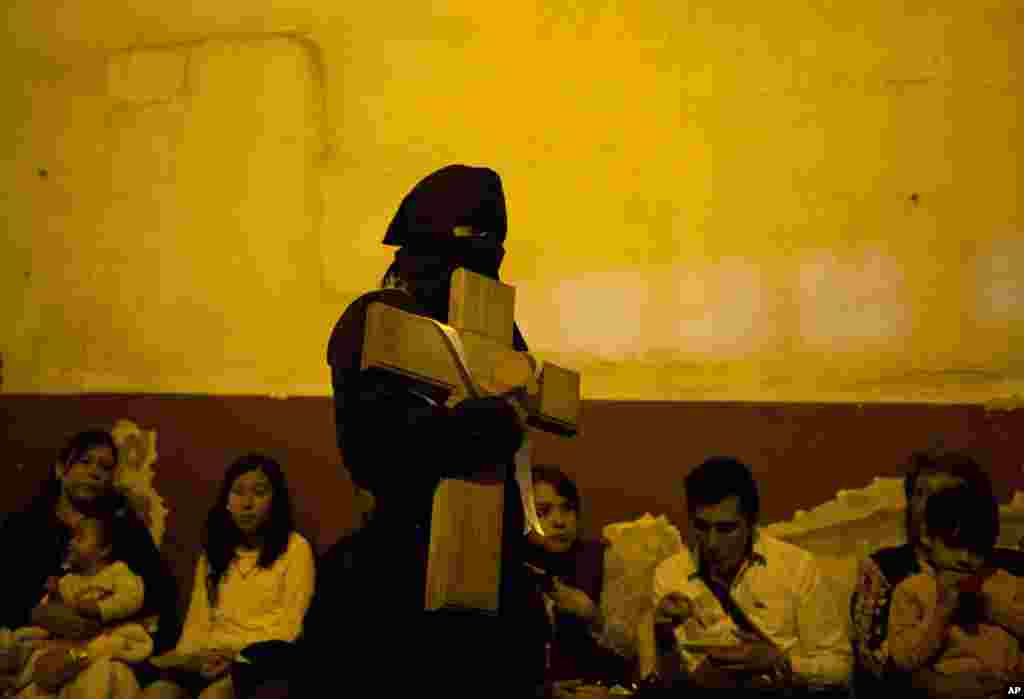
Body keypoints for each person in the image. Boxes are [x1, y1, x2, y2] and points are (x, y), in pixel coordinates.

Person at [308, 164, 544, 697]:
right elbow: (372, 452)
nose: (471, 280)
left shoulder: (497, 329)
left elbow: (528, 401)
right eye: (461, 262)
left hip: (496, 590)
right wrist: (466, 430)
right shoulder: (380, 323)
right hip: (397, 589)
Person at [648, 456, 851, 696]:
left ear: (751, 523)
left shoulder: (796, 566)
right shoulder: (669, 574)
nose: (711, 543)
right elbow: (671, 687)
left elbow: (839, 668)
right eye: (702, 527)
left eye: (726, 529)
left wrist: (778, 661)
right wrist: (663, 636)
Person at [0, 429, 178, 697]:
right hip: (41, 643)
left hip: (101, 647)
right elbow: (5, 592)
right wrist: (36, 613)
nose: (95, 472)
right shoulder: (23, 526)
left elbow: (160, 591)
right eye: (85, 461)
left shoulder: (123, 528)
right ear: (61, 468)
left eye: (105, 467)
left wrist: (103, 615)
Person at [850, 449, 1024, 698]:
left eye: (946, 493)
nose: (928, 503)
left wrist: (1012, 690)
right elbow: (879, 666)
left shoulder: (1010, 572)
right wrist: (940, 686)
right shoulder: (890, 572)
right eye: (920, 493)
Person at [142, 454, 314, 699]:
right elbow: (196, 626)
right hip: (208, 662)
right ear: (226, 501)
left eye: (259, 492)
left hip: (258, 664)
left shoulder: (295, 548)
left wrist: (234, 656)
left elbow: (290, 629)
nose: (247, 503)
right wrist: (188, 659)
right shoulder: (213, 554)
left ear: (275, 500)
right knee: (156, 693)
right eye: (238, 492)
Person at [888, 484, 1024, 686]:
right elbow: (903, 661)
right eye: (954, 545)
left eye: (977, 549)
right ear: (927, 537)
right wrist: (941, 614)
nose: (965, 558)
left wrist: (993, 610)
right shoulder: (910, 591)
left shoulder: (1009, 584)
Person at [4, 514, 155, 696]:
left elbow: (133, 597)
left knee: (101, 669)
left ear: (104, 550)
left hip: (103, 639)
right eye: (71, 539)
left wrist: (102, 609)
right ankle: (19, 683)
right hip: (69, 643)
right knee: (39, 655)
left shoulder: (117, 571)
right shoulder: (68, 581)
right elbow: (54, 614)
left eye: (80, 538)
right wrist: (54, 594)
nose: (71, 544)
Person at [524, 465, 632, 698]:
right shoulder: (506, 569)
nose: (559, 521)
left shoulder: (601, 559)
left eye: (568, 509)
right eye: (543, 512)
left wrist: (593, 615)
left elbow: (633, 648)